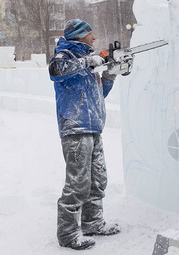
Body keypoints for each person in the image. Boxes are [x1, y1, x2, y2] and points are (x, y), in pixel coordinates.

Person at [48, 19, 120, 250]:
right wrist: (88, 61)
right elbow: (55, 71)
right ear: (79, 35)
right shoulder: (65, 56)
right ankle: (68, 234)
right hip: (75, 128)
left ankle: (93, 223)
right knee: (77, 184)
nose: (94, 38)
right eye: (90, 33)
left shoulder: (89, 62)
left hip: (93, 127)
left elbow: (100, 93)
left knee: (98, 180)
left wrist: (111, 73)